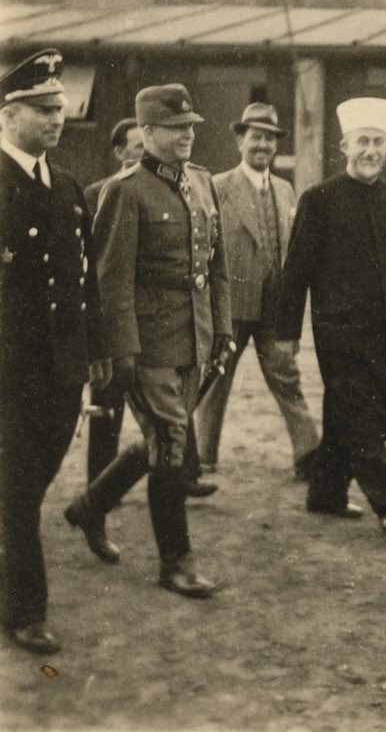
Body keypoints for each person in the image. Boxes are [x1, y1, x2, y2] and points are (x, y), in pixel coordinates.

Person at [63, 84, 231, 598]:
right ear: (148, 132)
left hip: (194, 339)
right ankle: (175, 562)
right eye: (176, 129)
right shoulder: (127, 191)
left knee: (163, 438)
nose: (187, 136)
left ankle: (91, 506)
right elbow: (111, 283)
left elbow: (215, 267)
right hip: (150, 344)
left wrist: (221, 327)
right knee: (173, 442)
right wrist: (124, 350)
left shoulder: (201, 183)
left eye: (191, 128)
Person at [275, 97, 386, 534]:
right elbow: (296, 271)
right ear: (345, 147)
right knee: (361, 415)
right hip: (339, 331)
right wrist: (286, 331)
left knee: (345, 415)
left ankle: (326, 493)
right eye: (362, 142)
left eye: (378, 143)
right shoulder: (319, 200)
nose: (370, 150)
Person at [0, 49, 110, 654]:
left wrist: (93, 349)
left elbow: (83, 277)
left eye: (60, 108)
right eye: (43, 109)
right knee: (18, 490)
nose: (56, 118)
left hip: (62, 368)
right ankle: (25, 611)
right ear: (9, 113)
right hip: (9, 368)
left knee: (30, 483)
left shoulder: (67, 186)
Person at [195, 103, 319, 480]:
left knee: (287, 378)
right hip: (231, 305)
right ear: (240, 140)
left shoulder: (284, 189)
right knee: (214, 383)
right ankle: (201, 459)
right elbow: (206, 251)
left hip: (274, 307)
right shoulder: (218, 187)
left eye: (269, 138)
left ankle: (309, 457)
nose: (263, 145)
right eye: (256, 137)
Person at [80, 118, 145, 489]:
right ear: (120, 153)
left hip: (150, 310)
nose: (143, 153)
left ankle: (185, 473)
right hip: (112, 308)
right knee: (108, 398)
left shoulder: (162, 188)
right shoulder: (97, 193)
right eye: (136, 147)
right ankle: (99, 480)